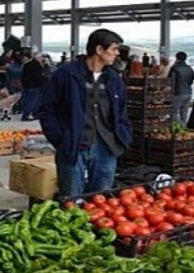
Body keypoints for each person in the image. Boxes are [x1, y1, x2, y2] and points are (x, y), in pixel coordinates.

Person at [38, 29, 132, 197]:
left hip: (106, 146)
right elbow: (46, 109)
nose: (117, 54)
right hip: (74, 144)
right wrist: (60, 138)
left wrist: (123, 136)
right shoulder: (66, 75)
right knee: (71, 199)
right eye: (114, 49)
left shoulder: (114, 79)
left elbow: (122, 111)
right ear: (99, 50)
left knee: (101, 200)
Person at [168, 51, 194, 124]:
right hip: (188, 92)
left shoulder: (175, 68)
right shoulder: (190, 68)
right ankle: (183, 128)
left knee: (173, 112)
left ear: (176, 58)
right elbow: (191, 80)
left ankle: (181, 126)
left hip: (178, 92)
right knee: (184, 112)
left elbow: (170, 80)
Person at [21, 52, 46, 121]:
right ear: (37, 57)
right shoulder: (37, 66)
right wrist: (44, 84)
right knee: (33, 101)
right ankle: (27, 115)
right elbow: (39, 76)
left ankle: (31, 114)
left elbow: (23, 76)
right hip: (35, 85)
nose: (42, 59)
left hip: (27, 85)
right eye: (41, 57)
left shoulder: (27, 64)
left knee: (29, 100)